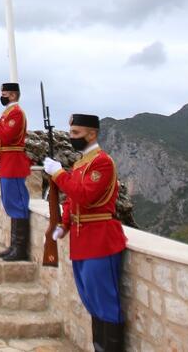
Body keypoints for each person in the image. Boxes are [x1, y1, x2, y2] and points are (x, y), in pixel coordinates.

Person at [44, 114, 127, 352]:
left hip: (101, 239)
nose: (72, 138)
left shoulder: (101, 162)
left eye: (76, 134)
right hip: (82, 240)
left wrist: (59, 175)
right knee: (91, 299)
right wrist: (64, 224)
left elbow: (86, 196)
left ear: (92, 134)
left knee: (105, 303)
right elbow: (72, 200)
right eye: (71, 133)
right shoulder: (81, 163)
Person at [0, 82, 30, 262]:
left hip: (14, 162)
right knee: (10, 203)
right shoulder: (8, 113)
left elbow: (7, 135)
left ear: (12, 95)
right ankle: (13, 245)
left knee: (17, 204)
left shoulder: (16, 113)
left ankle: (20, 248)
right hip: (6, 161)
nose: (1, 96)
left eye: (4, 93)